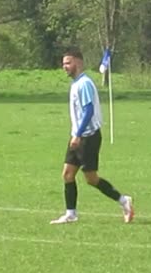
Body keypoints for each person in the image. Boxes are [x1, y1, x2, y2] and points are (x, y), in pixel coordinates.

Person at [50, 48, 135, 225]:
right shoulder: (75, 84)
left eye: (68, 62)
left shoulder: (84, 84)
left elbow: (89, 110)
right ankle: (71, 214)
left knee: (91, 178)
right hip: (77, 135)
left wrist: (78, 134)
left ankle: (123, 200)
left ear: (78, 63)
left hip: (88, 137)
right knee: (67, 174)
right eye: (64, 63)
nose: (65, 66)